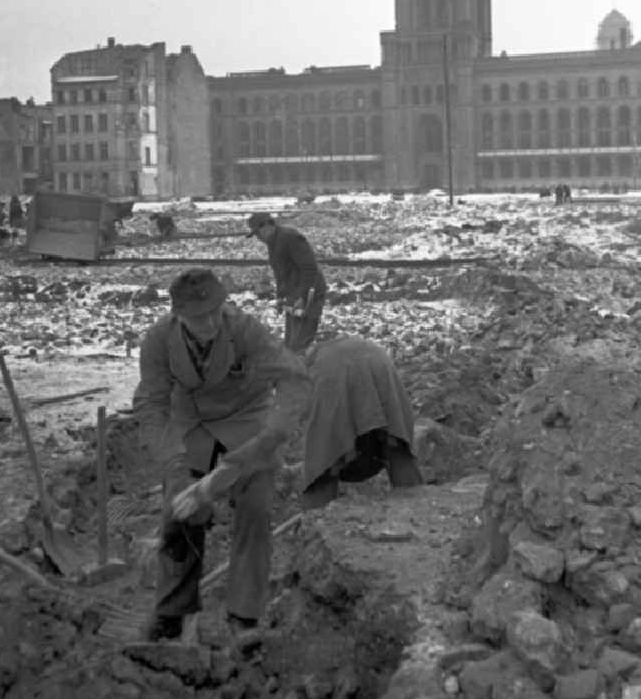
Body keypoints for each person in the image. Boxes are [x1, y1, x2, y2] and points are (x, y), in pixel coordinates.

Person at [133, 268, 309, 643]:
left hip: (248, 422)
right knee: (180, 512)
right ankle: (171, 612)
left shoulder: (246, 330)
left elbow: (294, 380)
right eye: (199, 317)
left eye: (217, 310)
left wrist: (269, 439)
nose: (211, 322)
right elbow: (151, 405)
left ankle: (244, 616)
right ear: (178, 316)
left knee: (255, 509)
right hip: (191, 427)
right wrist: (175, 465)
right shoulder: (158, 340)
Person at [300, 336, 423, 508]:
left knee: (323, 459)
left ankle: (315, 518)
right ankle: (418, 505)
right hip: (378, 360)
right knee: (395, 440)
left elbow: (318, 433)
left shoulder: (304, 368)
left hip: (334, 371)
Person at [246, 212, 327, 352]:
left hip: (309, 295)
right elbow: (280, 274)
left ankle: (304, 371)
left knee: (300, 344)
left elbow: (309, 268)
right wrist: (279, 297)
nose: (258, 238)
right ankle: (296, 369)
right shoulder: (273, 241)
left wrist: (303, 296)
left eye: (258, 233)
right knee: (290, 344)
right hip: (293, 296)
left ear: (267, 226)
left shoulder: (290, 237)